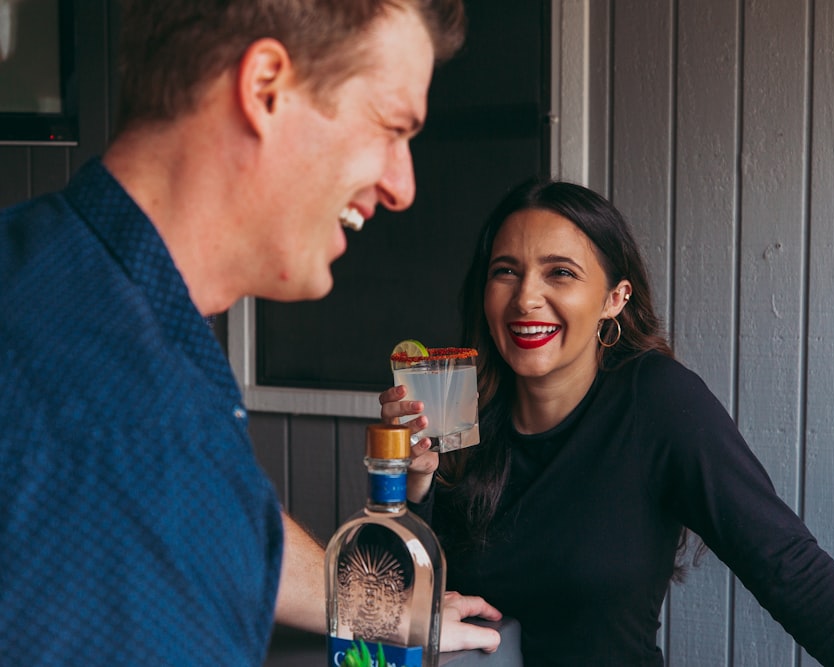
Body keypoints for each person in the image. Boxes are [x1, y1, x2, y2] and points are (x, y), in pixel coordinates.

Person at [0, 1, 503, 664]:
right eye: (390, 126)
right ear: (266, 89)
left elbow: (224, 529)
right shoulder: (134, 436)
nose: (402, 184)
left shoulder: (58, 265)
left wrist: (374, 606)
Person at [379, 178, 834, 666]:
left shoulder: (658, 402)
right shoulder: (457, 406)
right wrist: (409, 483)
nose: (526, 298)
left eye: (560, 273)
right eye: (506, 272)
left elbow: (789, 567)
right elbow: (389, 610)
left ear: (614, 299)